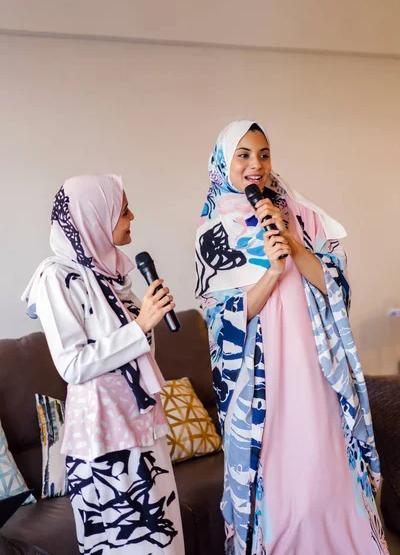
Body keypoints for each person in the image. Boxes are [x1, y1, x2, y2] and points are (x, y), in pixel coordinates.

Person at [195, 120, 389, 555]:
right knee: (286, 496)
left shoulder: (299, 214)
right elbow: (221, 320)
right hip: (263, 379)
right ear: (224, 162)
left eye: (263, 154)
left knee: (331, 480)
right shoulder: (212, 233)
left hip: (318, 365)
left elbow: (336, 287)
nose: (255, 165)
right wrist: (272, 273)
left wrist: (292, 243)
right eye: (243, 155)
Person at [22, 175, 184, 555]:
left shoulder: (111, 278)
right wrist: (141, 324)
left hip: (142, 429)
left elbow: (133, 356)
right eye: (122, 210)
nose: (131, 216)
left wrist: (145, 320)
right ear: (94, 216)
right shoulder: (55, 278)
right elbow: (73, 365)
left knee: (167, 546)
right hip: (104, 440)